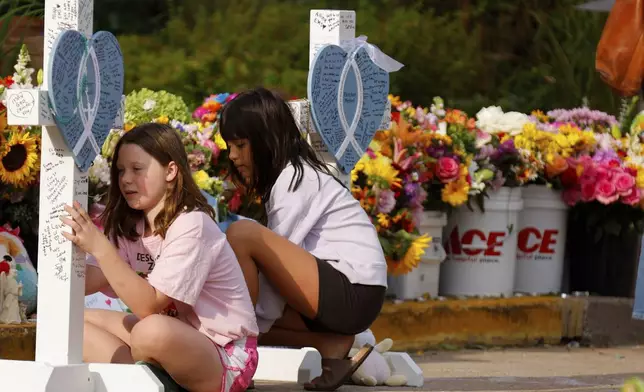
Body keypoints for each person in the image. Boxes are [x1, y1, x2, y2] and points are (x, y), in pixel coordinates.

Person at [61, 123, 259, 392]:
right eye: (120, 170)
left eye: (137, 169)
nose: (126, 179)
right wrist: (63, 247)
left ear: (171, 170)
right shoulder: (132, 227)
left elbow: (148, 306)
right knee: (69, 322)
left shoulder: (192, 224)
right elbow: (92, 278)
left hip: (223, 354)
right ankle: (138, 383)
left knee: (149, 332)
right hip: (170, 337)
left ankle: (148, 382)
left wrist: (99, 246)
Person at [220, 87, 388, 391]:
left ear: (265, 140)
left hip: (353, 291)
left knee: (241, 234)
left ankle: (236, 356)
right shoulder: (289, 180)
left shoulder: (297, 179)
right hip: (348, 296)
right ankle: (332, 347)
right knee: (242, 327)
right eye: (229, 146)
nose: (232, 156)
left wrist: (239, 330)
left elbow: (273, 274)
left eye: (240, 145)